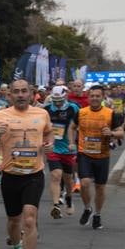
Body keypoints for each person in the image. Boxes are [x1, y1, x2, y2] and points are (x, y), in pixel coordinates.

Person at [0, 79, 53, 249]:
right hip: (11, 176)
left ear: (31, 94)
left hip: (34, 174)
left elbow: (48, 132)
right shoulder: (0, 116)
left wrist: (49, 144)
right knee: (14, 221)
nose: (21, 95)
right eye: (16, 92)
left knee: (29, 218)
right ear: (9, 95)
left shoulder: (42, 114)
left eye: (24, 91)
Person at [75, 85, 125, 230]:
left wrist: (112, 133)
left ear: (102, 97)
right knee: (84, 183)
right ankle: (87, 208)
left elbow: (121, 132)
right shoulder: (81, 112)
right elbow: (72, 127)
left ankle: (97, 214)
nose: (95, 98)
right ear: (88, 97)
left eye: (98, 96)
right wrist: (72, 143)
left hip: (102, 155)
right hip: (84, 153)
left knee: (100, 188)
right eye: (92, 96)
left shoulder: (110, 113)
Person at [42, 86, 80, 220]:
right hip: (53, 147)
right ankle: (56, 204)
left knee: (68, 178)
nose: (57, 103)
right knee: (56, 175)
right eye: (55, 100)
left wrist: (74, 142)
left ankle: (68, 197)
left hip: (68, 148)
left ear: (65, 97)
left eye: (59, 100)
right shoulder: (46, 109)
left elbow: (78, 125)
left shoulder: (73, 108)